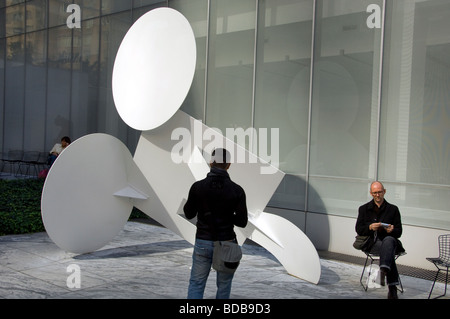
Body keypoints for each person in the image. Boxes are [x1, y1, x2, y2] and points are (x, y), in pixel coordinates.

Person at [184, 148, 248, 299]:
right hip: (227, 242)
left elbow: (189, 213)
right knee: (224, 287)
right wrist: (226, 215)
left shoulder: (197, 187)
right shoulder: (237, 190)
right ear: (229, 165)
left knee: (197, 283)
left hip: (203, 241)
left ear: (211, 163)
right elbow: (242, 222)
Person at [356, 181, 405, 299]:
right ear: (371, 193)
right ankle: (391, 286)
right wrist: (370, 227)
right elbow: (358, 229)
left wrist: (392, 230)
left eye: (380, 192)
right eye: (375, 193)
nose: (377, 195)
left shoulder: (393, 209)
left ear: (384, 192)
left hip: (390, 242)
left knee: (388, 241)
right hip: (372, 243)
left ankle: (384, 268)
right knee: (388, 254)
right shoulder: (363, 209)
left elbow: (399, 232)